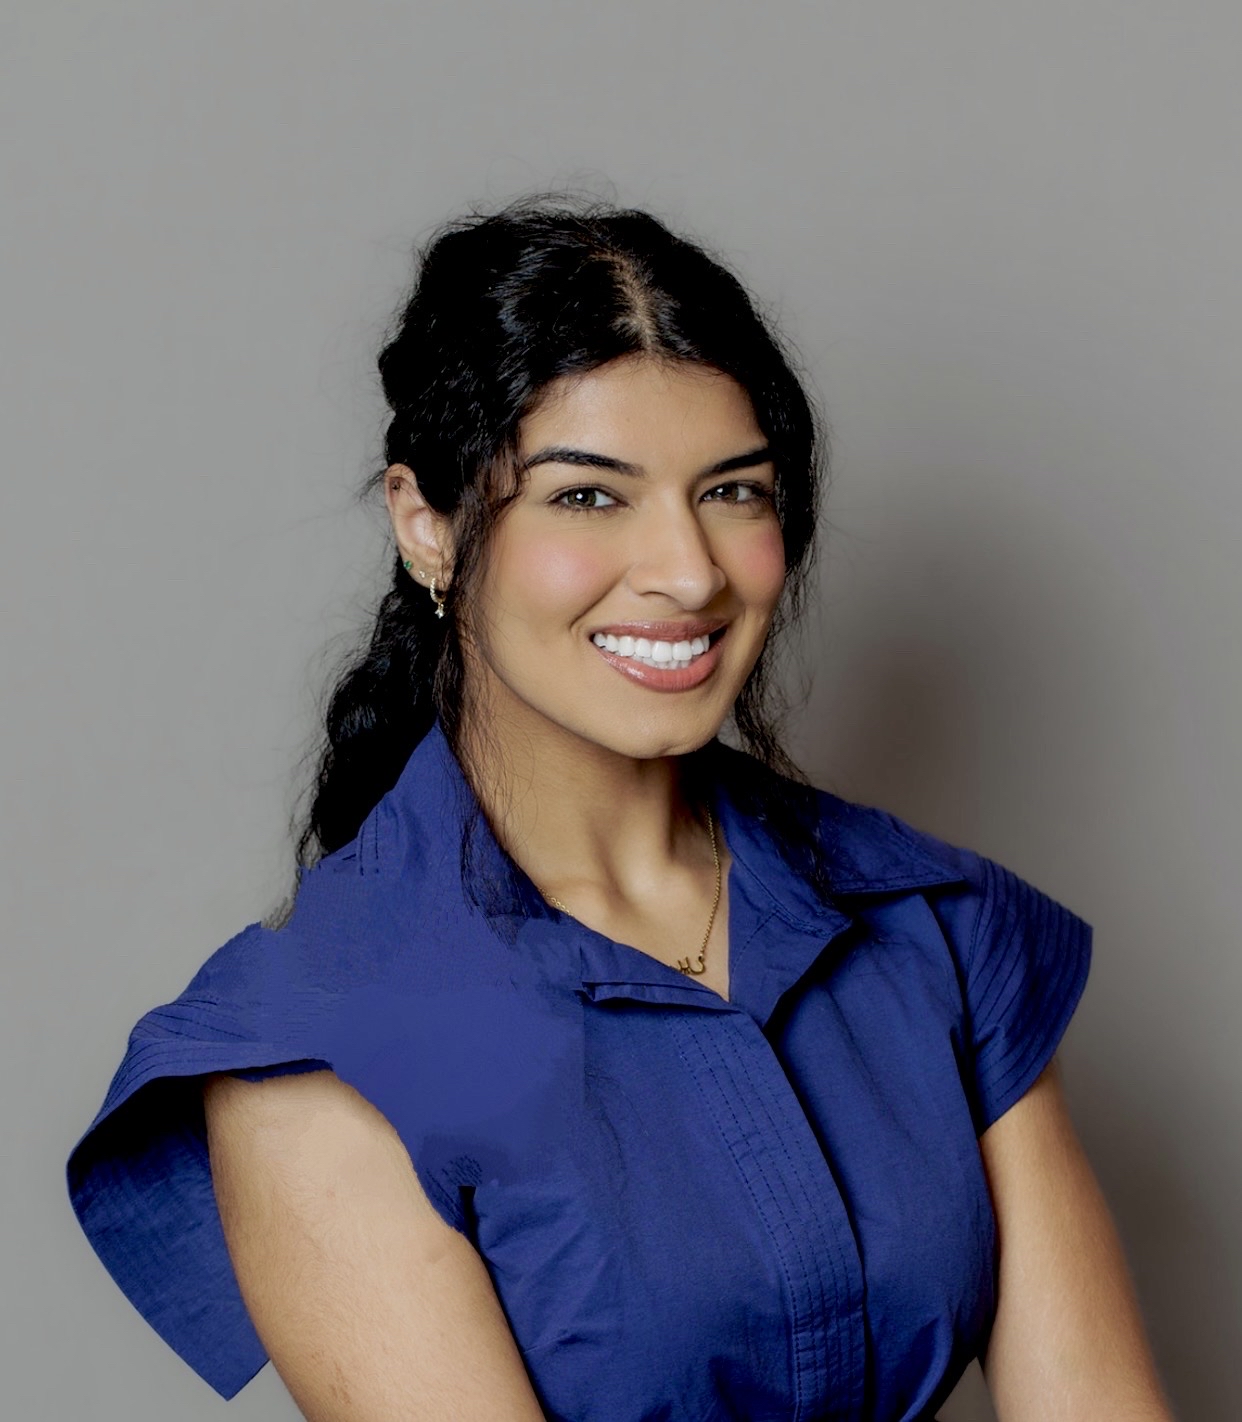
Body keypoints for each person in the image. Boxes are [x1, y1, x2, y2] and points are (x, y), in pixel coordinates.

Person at [65, 195, 1175, 1421]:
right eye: (589, 497)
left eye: (734, 491)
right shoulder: (318, 1043)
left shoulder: (936, 925)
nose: (689, 572)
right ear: (427, 525)